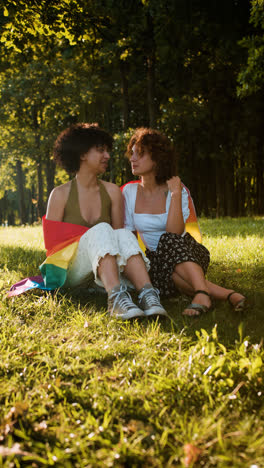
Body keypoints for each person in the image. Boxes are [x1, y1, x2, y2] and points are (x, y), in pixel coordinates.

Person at [46, 123, 167, 321]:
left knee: (121, 233)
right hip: (72, 273)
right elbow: (52, 250)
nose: (107, 156)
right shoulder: (59, 195)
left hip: (105, 274)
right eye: (100, 150)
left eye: (107, 150)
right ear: (82, 154)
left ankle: (148, 294)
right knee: (102, 228)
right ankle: (116, 299)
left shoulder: (112, 192)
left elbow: (119, 239)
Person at [122, 127, 246, 316]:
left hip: (186, 252)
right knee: (171, 275)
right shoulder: (128, 193)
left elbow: (175, 231)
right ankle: (229, 295)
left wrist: (175, 193)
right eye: (132, 153)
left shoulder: (178, 190)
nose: (132, 158)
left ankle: (203, 293)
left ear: (157, 158)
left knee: (168, 240)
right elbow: (129, 237)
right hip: (156, 261)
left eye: (140, 154)